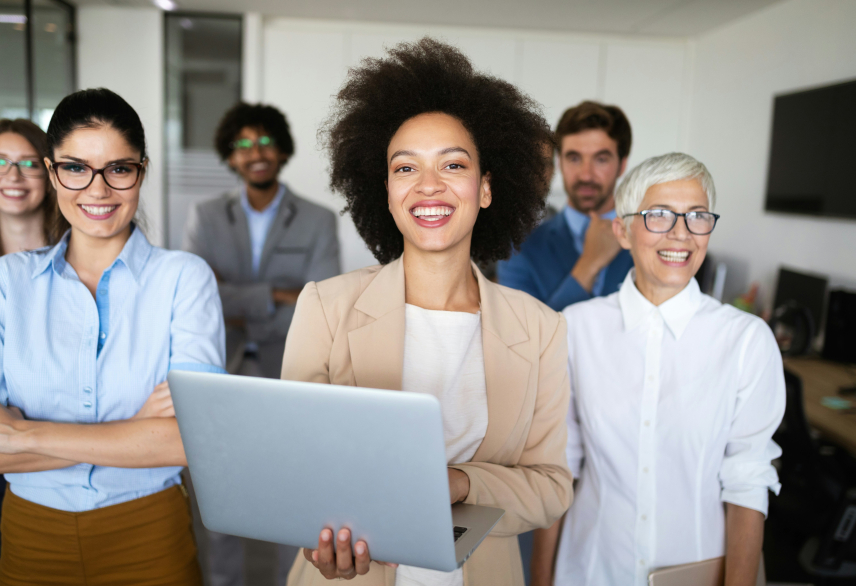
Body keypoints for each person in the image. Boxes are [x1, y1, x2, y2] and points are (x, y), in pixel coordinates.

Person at [281, 38, 574, 586]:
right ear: (387, 191)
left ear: (486, 189)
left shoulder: (541, 329)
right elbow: (294, 470)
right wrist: (320, 538)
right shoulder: (326, 307)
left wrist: (460, 483)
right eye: (405, 168)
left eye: (454, 164)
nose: (429, 186)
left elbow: (552, 487)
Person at [0, 87, 225, 585]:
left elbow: (192, 441)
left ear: (141, 172)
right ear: (52, 173)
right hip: (31, 534)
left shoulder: (183, 278)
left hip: (149, 532)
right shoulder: (9, 283)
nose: (97, 189)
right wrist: (134, 432)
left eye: (118, 168)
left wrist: (19, 432)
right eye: (75, 168)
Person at [530, 153, 784, 586]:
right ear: (622, 231)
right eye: (659, 216)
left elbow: (747, 483)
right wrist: (539, 578)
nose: (681, 234)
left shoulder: (745, 341)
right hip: (590, 568)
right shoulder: (575, 328)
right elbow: (559, 468)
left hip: (698, 570)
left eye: (697, 216)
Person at [181, 102, 340, 586]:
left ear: (283, 150)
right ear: (230, 155)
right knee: (222, 497)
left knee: (286, 501)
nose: (256, 153)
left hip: (290, 373)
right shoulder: (205, 215)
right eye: (244, 144)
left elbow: (320, 305)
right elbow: (199, 295)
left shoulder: (318, 219)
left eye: (266, 141)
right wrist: (274, 295)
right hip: (220, 371)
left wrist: (238, 302)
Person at [0, 118, 66, 586]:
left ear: (51, 175)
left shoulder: (85, 260)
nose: (12, 176)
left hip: (60, 474)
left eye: (29, 163)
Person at [497, 101, 634, 311]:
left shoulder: (647, 242)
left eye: (601, 159)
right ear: (559, 162)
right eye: (574, 158)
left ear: (622, 164)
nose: (586, 175)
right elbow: (524, 339)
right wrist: (589, 263)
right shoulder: (519, 251)